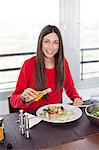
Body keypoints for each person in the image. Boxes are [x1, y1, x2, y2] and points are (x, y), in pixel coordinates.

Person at [10, 25, 83, 111]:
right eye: (47, 41)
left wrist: (76, 98)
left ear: (59, 46)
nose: (51, 47)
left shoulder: (62, 63)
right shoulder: (28, 64)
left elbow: (70, 89)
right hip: (32, 117)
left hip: (54, 116)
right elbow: (13, 100)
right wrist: (22, 97)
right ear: (40, 43)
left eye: (55, 42)